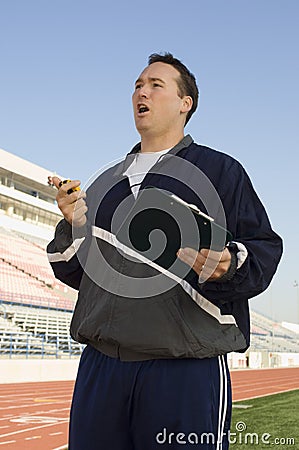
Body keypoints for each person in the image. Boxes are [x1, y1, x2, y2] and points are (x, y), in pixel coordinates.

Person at [47, 52, 283, 450]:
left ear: (184, 103)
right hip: (101, 367)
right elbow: (73, 272)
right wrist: (72, 225)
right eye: (138, 85)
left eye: (156, 85)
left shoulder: (222, 171)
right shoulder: (105, 181)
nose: (142, 91)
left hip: (185, 369)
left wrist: (231, 265)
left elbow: (264, 249)